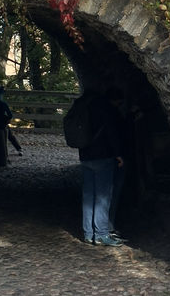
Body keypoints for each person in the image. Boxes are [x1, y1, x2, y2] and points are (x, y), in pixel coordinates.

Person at [75, 88, 125, 247]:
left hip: (85, 156)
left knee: (89, 196)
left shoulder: (84, 107)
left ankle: (89, 234)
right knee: (103, 197)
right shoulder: (106, 109)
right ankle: (102, 234)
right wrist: (118, 154)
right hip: (103, 156)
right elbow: (111, 133)